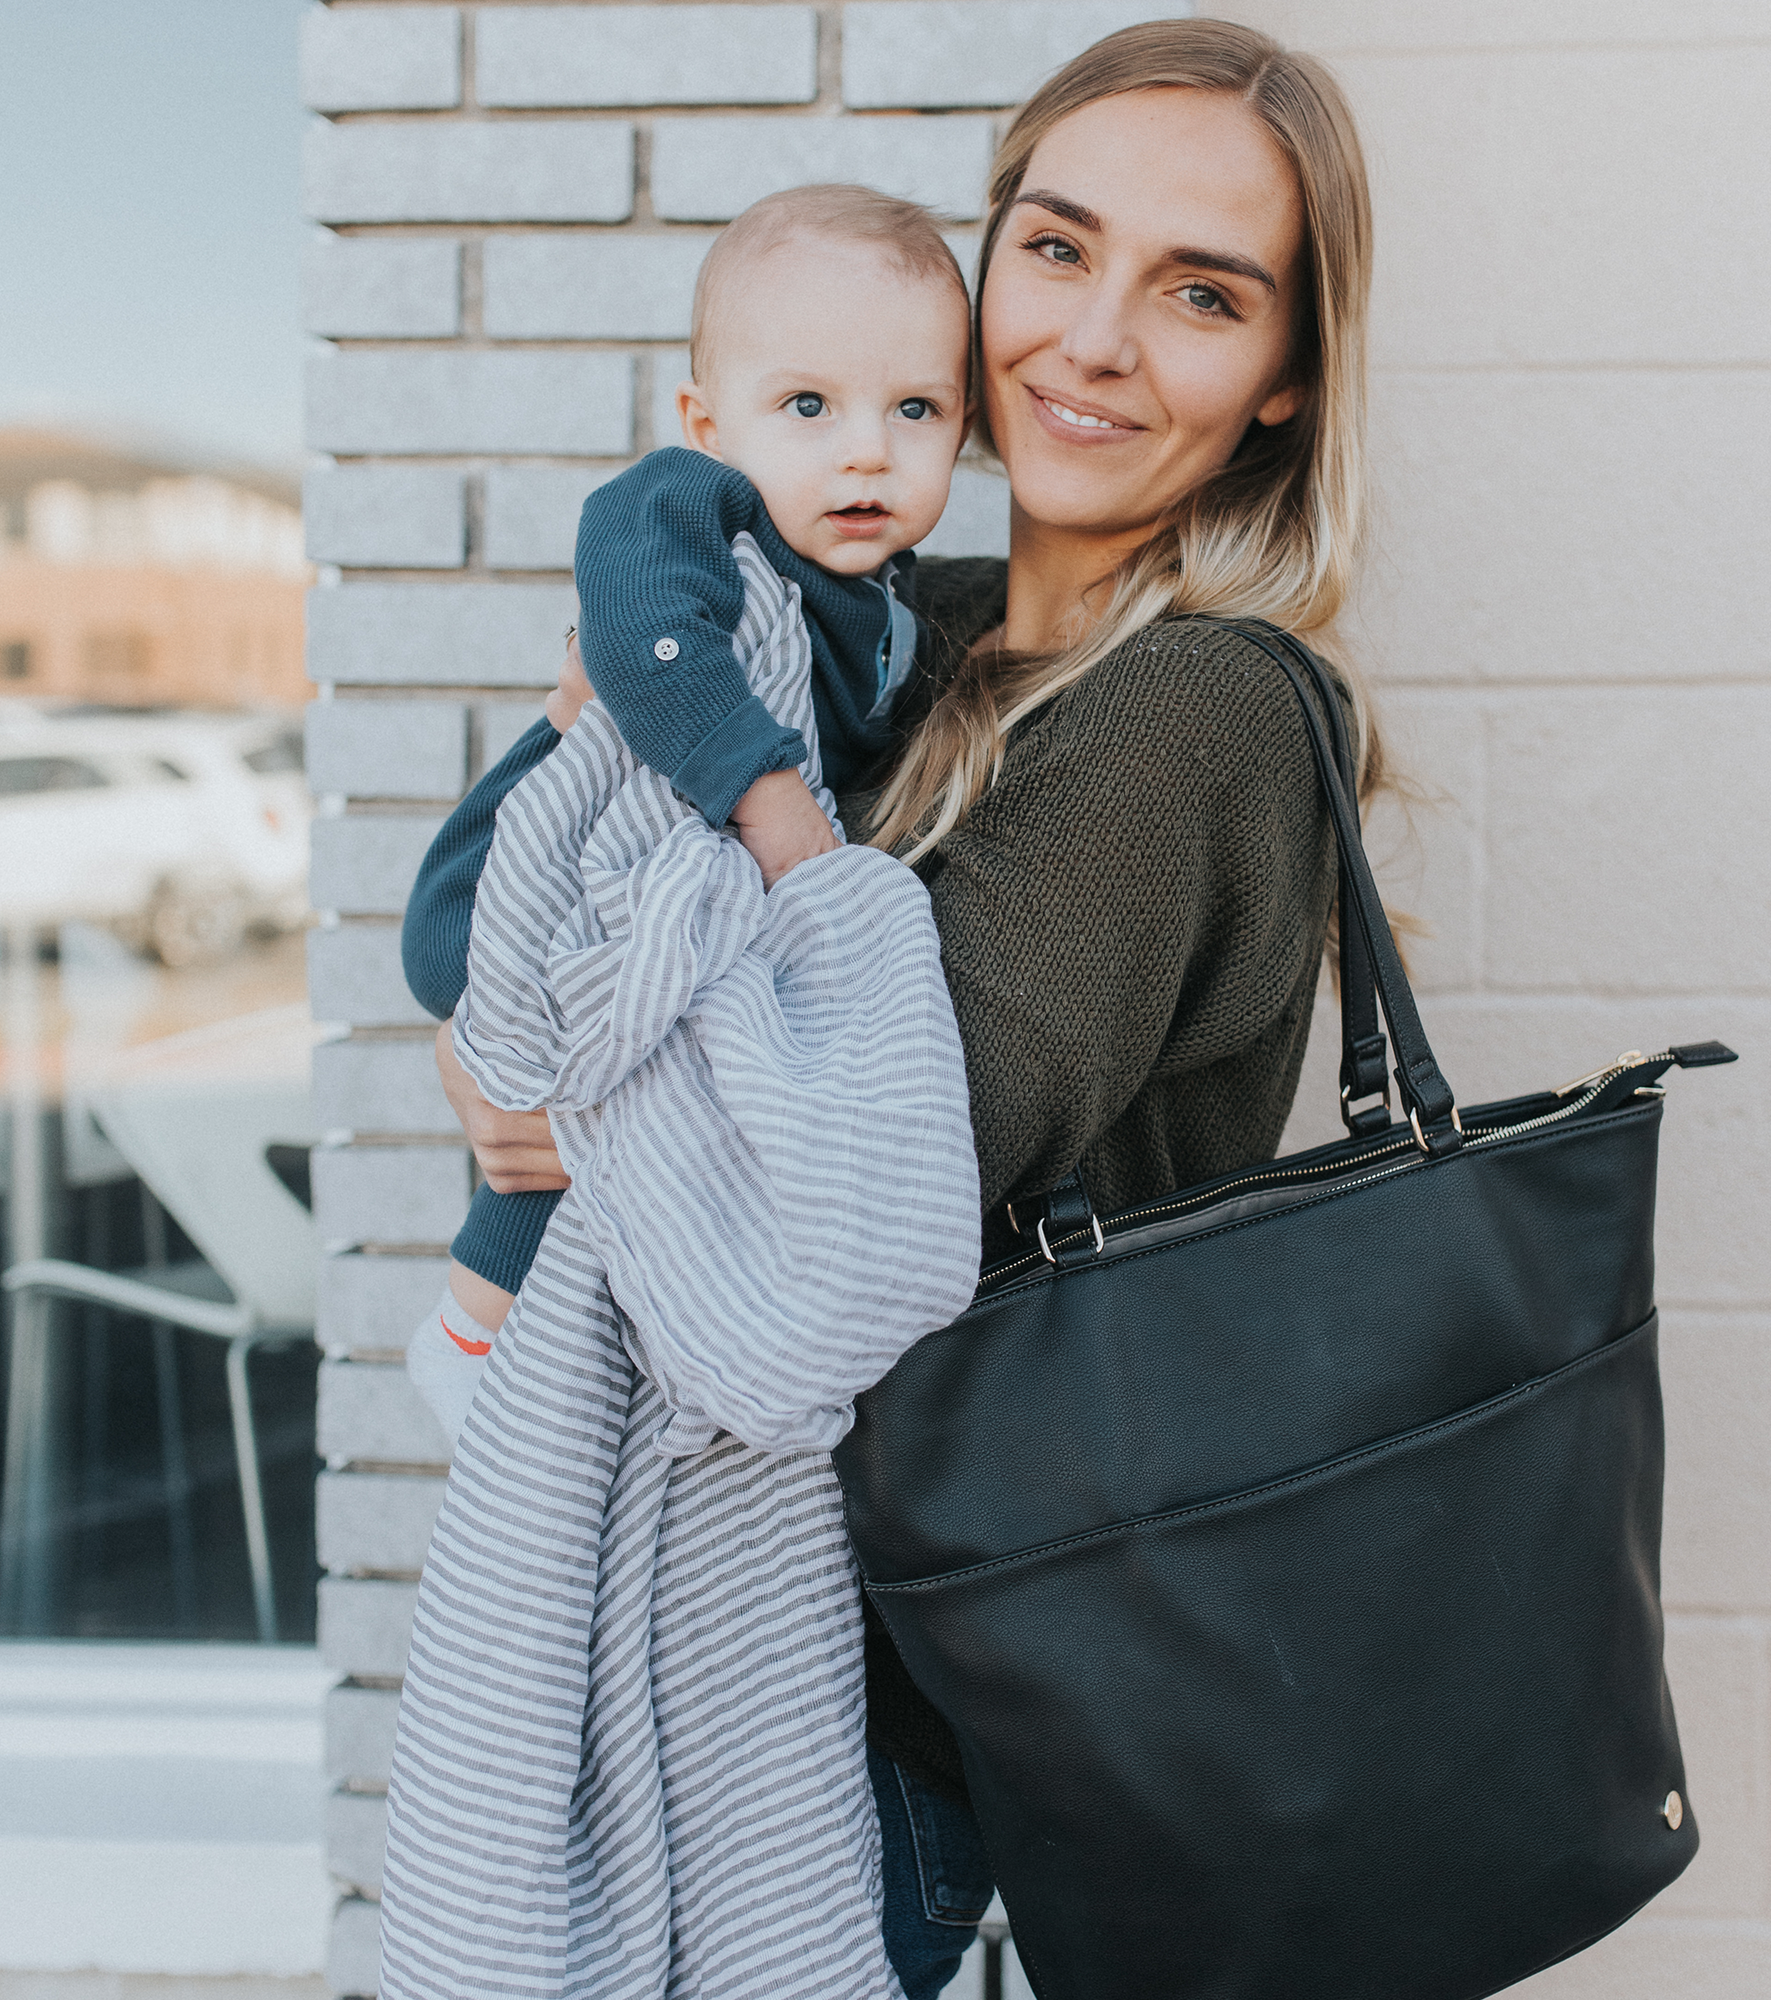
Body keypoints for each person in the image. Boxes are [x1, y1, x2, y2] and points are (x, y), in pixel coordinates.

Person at [410, 19, 1385, 1997]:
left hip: (863, 1703)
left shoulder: (1187, 710)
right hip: (743, 1626)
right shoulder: (881, 640)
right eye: (1056, 248)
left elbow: (829, 1173)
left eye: (1199, 295)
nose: (1094, 339)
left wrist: (553, 1083)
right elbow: (562, 935)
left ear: (1281, 382)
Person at [400, 184, 972, 1437]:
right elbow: (642, 618)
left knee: (607, 1082)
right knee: (536, 1023)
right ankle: (465, 1328)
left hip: (665, 922)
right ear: (709, 425)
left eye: (913, 408)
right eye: (807, 406)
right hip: (522, 869)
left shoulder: (899, 611)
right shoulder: (685, 511)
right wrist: (776, 812)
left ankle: (503, 1338)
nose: (865, 449)